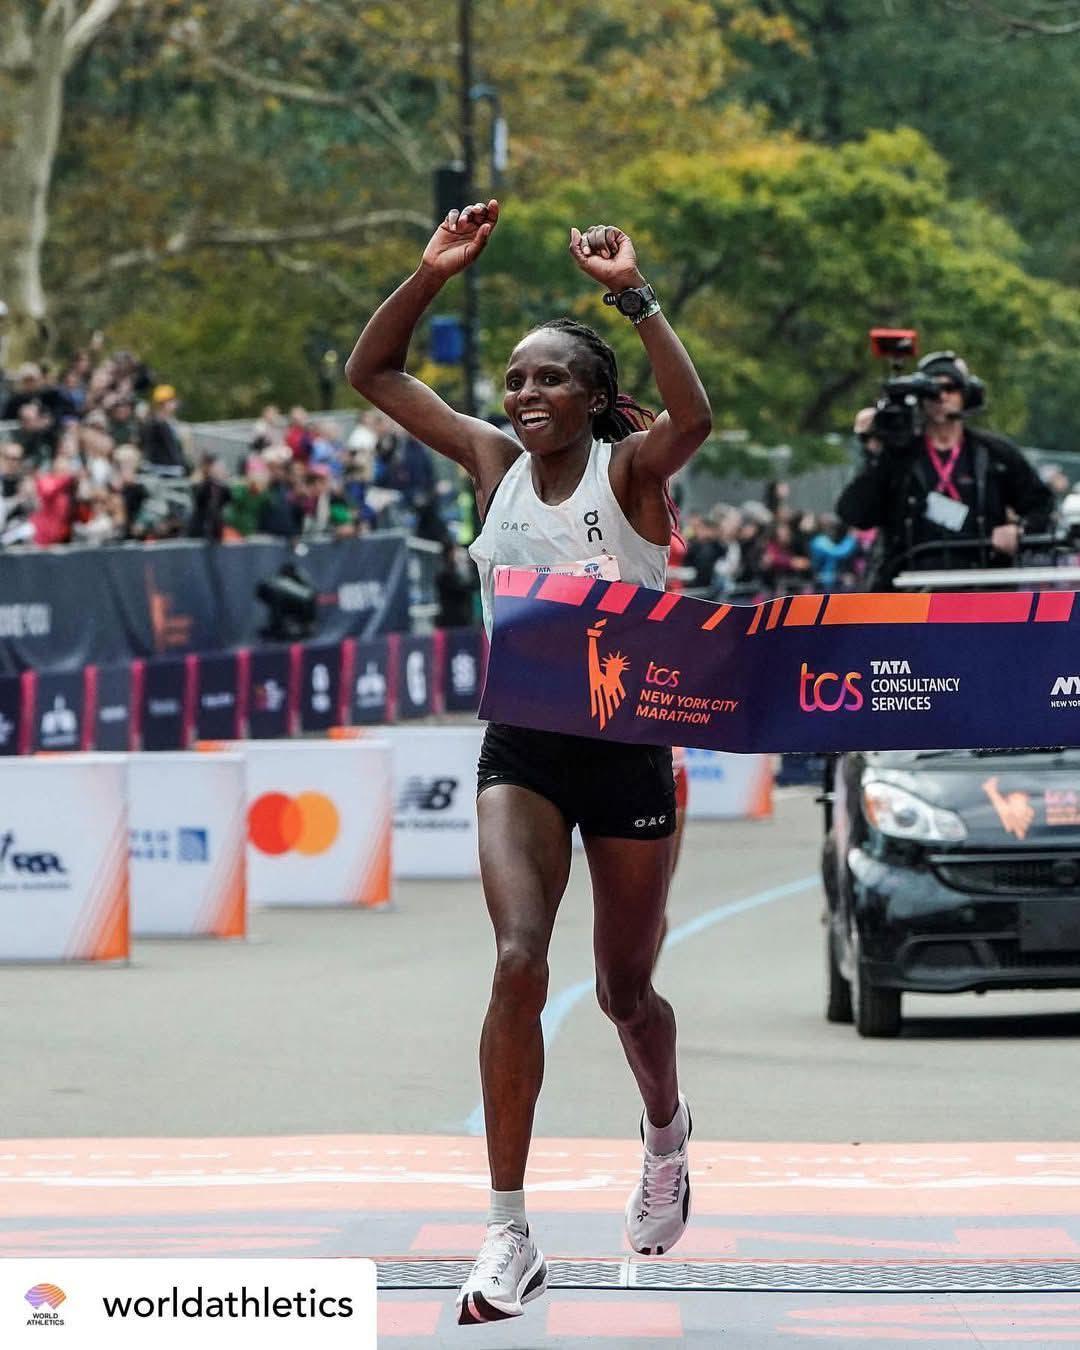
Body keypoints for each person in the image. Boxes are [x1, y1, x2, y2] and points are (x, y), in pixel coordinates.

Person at [345, 200, 711, 1326]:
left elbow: (695, 412)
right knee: (517, 959)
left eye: (548, 380)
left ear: (593, 398)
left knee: (624, 991)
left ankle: (665, 1137)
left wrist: (635, 297)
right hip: (525, 747)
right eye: (512, 380)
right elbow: (374, 371)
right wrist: (431, 270)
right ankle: (508, 1231)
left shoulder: (634, 472)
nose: (522, 397)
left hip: (631, 748)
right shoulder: (492, 463)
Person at [837, 353, 1054, 589]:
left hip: (982, 585)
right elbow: (855, 514)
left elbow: (1041, 503)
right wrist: (873, 452)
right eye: (931, 391)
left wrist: (1019, 530)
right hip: (909, 587)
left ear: (966, 394)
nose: (941, 397)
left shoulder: (993, 453)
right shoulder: (899, 455)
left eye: (950, 388)